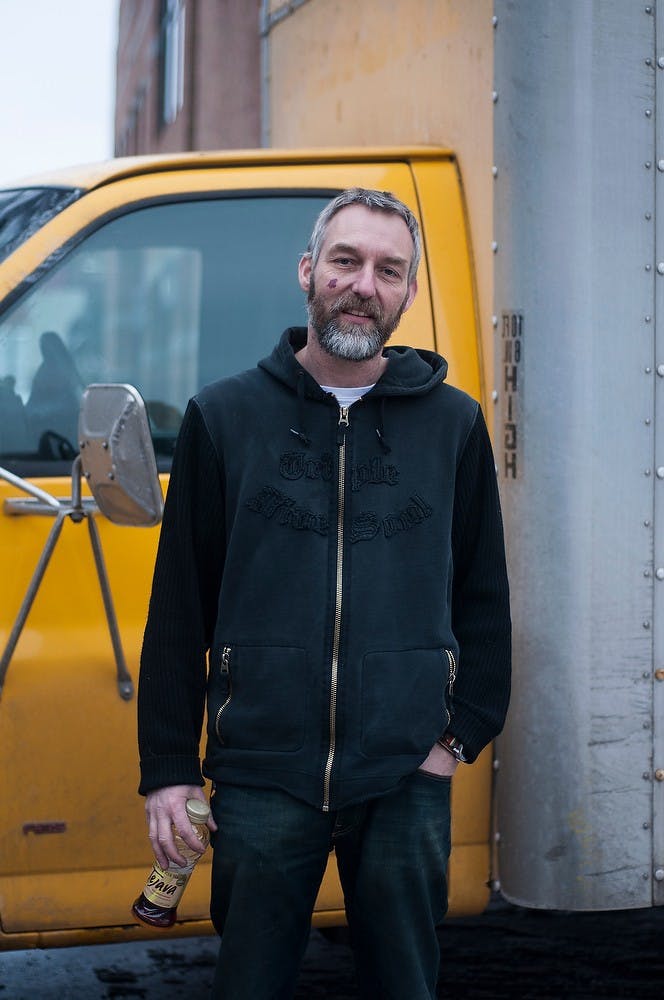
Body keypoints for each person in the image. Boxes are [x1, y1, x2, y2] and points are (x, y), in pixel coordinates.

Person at [137, 187, 511, 999]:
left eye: (388, 270)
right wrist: (168, 768)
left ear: (408, 293)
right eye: (346, 260)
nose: (363, 284)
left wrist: (456, 740)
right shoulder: (224, 415)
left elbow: (483, 594)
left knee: (405, 986)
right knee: (252, 986)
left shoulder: (452, 424)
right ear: (309, 270)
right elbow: (178, 611)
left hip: (406, 775)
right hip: (262, 774)